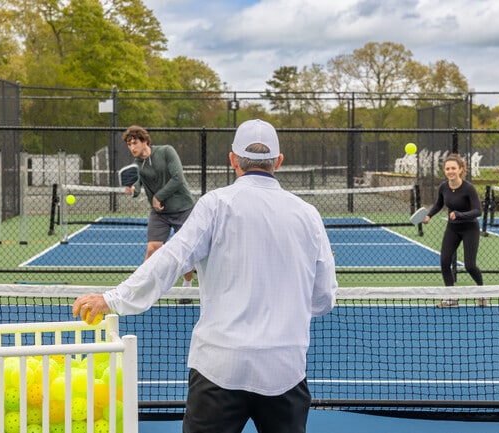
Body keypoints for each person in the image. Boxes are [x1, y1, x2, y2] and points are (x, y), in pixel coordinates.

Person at [74, 119, 338, 433]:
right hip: (285, 371)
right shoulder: (308, 215)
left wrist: (112, 299)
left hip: (218, 369)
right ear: (278, 162)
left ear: (233, 161)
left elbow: (169, 260)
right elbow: (323, 299)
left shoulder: (215, 205)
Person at [122, 125, 195, 287]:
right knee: (152, 248)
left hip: (183, 209)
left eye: (135, 143)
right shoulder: (136, 165)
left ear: (145, 141)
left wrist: (158, 196)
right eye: (129, 144)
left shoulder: (166, 151)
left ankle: (187, 283)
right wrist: (132, 191)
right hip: (159, 214)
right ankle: (139, 287)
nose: (132, 147)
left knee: (186, 252)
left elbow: (177, 178)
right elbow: (137, 186)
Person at [423, 153, 485, 308]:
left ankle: (483, 292)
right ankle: (451, 298)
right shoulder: (443, 186)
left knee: (470, 266)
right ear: (444, 170)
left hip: (470, 228)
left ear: (460, 169)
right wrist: (429, 216)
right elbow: (438, 204)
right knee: (444, 262)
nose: (450, 171)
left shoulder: (468, 188)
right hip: (453, 229)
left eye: (453, 168)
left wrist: (459, 214)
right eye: (447, 168)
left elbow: (478, 211)